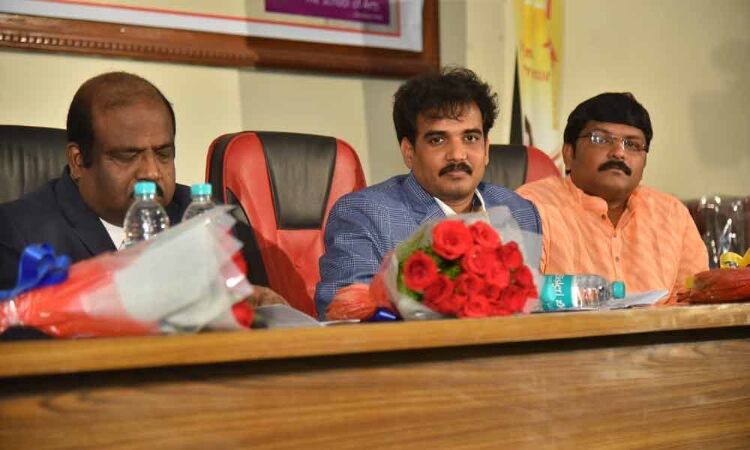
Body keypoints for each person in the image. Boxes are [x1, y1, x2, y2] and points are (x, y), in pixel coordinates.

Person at [0, 72, 284, 307]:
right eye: (127, 156)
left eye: (163, 153)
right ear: (78, 161)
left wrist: (258, 308)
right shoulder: (20, 236)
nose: (151, 171)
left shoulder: (209, 220)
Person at [314, 67, 541, 318]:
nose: (457, 155)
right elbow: (346, 316)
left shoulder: (520, 210)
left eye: (470, 138)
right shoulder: (364, 215)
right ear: (409, 152)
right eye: (437, 140)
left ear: (486, 149)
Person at [516, 92, 708, 298]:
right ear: (569, 153)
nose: (618, 152)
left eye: (632, 144)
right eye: (601, 139)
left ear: (644, 161)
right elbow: (519, 300)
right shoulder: (530, 207)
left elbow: (694, 301)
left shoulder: (672, 214)